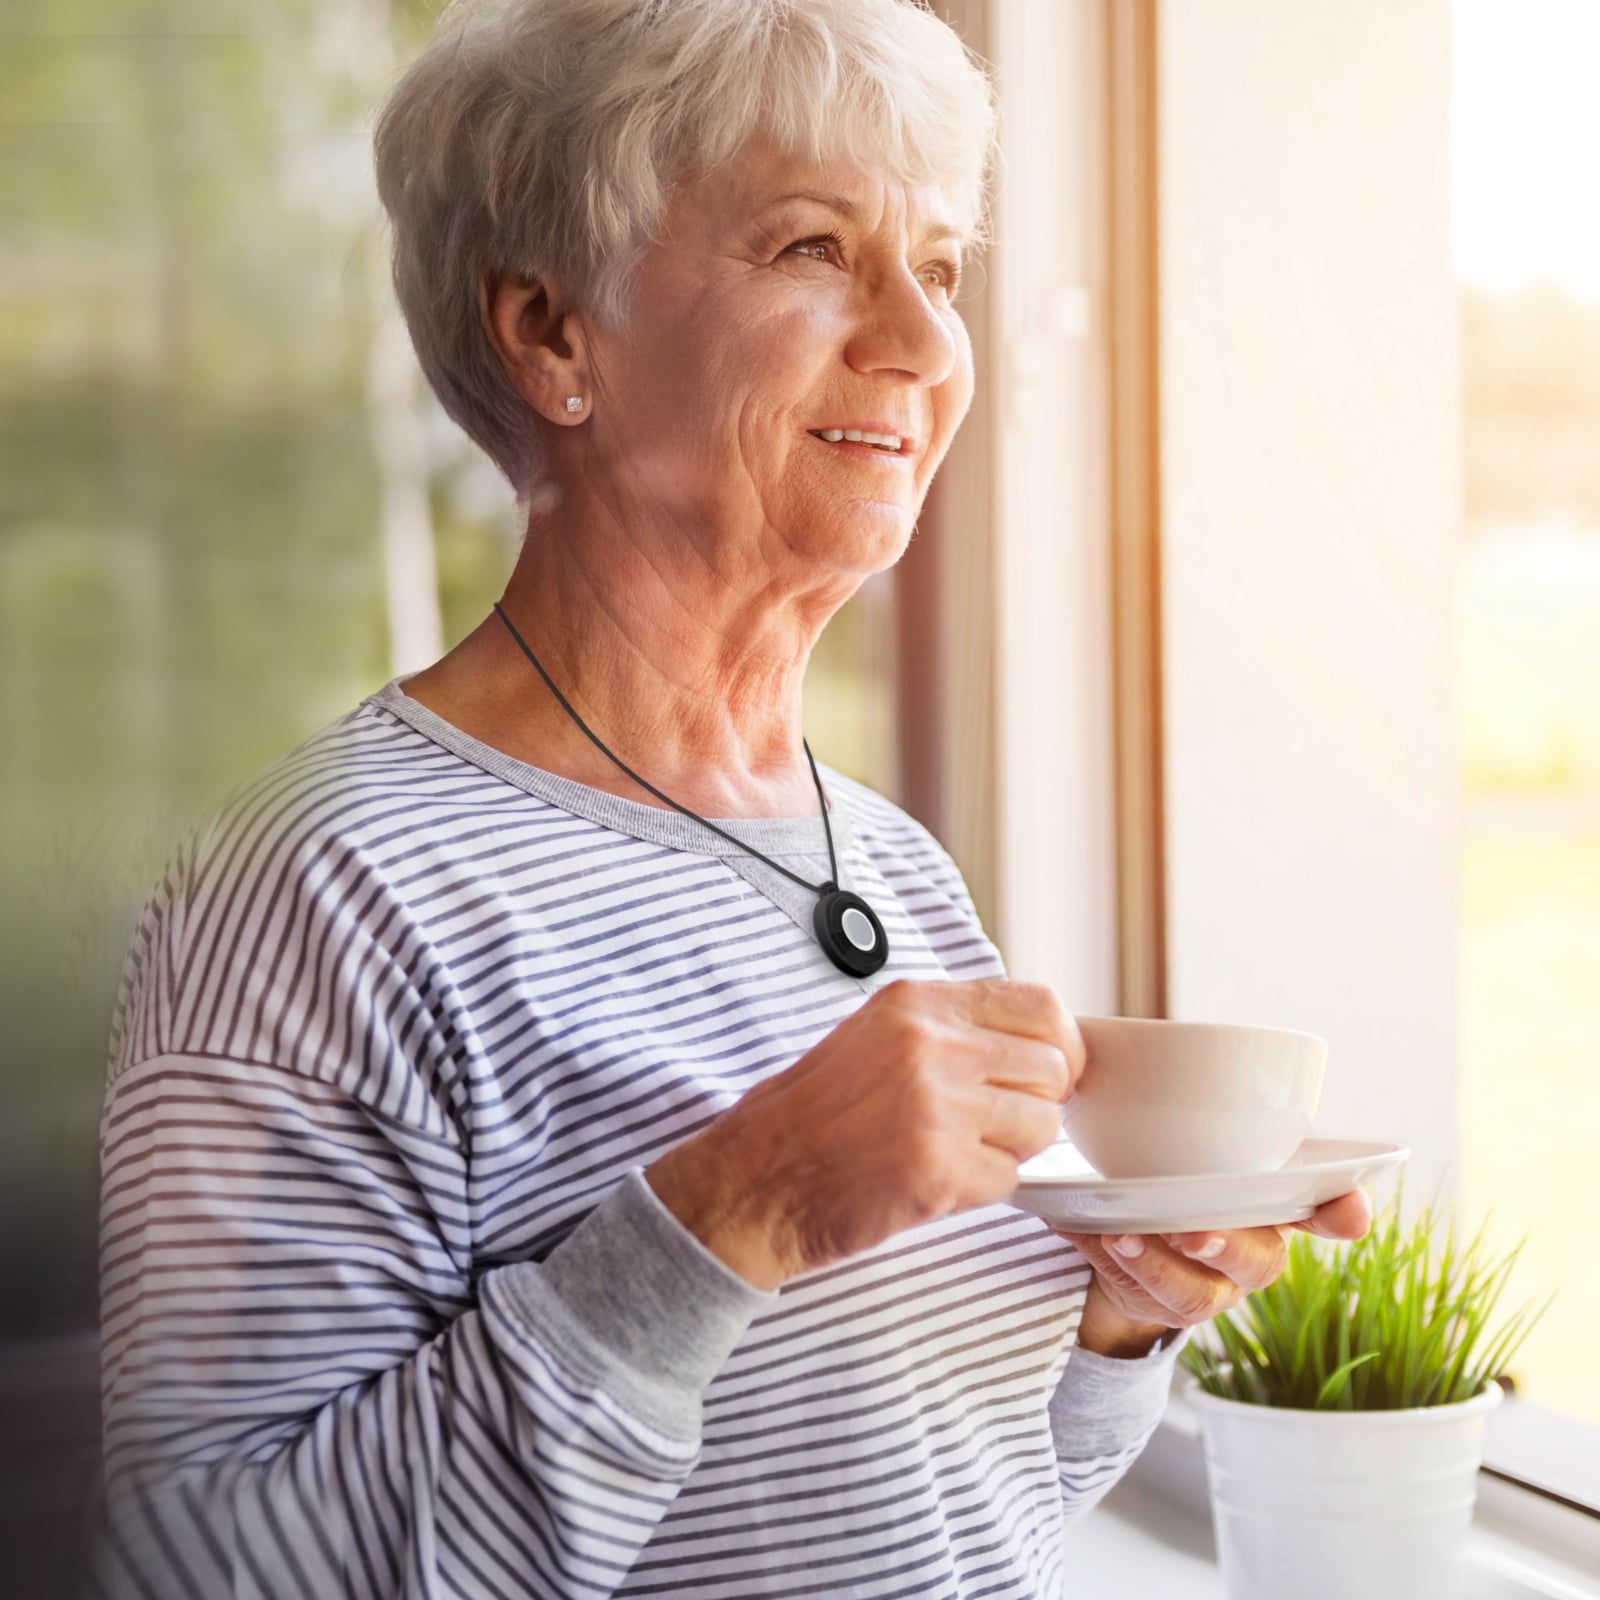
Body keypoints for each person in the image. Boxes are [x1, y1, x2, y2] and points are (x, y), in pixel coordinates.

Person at [93, 1, 1370, 1595]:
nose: (919, 340)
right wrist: (733, 1210)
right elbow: (201, 1569)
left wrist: (1122, 1325)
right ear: (553, 333)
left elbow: (950, 1520)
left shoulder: (893, 870)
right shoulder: (319, 886)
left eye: (945, 264)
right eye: (817, 247)